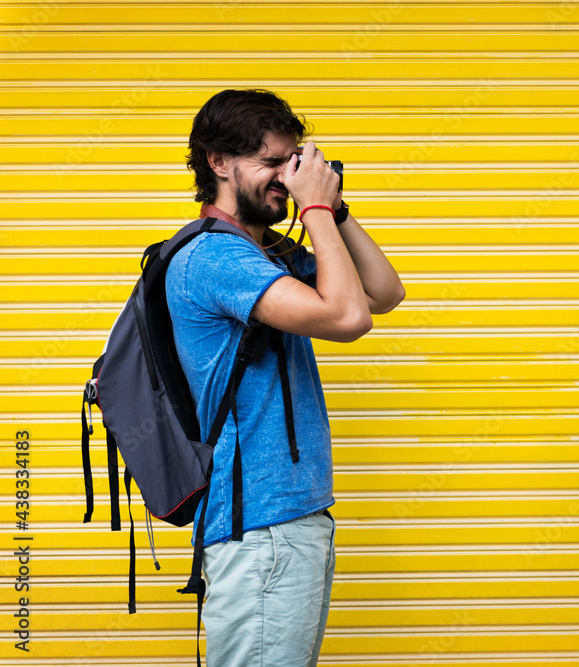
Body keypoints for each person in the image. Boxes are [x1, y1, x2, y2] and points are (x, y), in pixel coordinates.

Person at [166, 89, 405, 666]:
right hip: (262, 530)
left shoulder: (268, 252)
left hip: (287, 520)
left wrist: (336, 209)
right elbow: (348, 319)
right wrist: (315, 211)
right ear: (219, 163)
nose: (287, 178)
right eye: (271, 163)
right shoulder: (216, 259)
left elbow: (383, 293)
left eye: (293, 162)